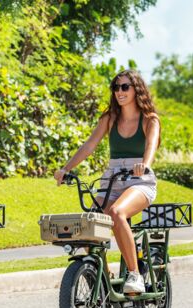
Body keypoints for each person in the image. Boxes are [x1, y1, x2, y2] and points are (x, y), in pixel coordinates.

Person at [54, 69, 160, 294]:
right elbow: (89, 146)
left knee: (117, 213)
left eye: (125, 87)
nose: (119, 92)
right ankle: (104, 273)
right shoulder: (109, 119)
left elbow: (150, 146)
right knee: (90, 223)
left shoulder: (149, 119)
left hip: (139, 181)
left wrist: (145, 164)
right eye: (116, 87)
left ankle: (134, 274)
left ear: (136, 89)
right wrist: (66, 169)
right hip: (113, 179)